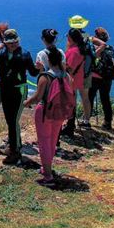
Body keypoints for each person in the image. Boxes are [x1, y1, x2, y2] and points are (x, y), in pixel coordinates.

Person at [24, 45, 73, 187]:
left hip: (45, 111)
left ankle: (48, 175)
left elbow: (37, 97)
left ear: (49, 61)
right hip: (60, 112)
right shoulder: (66, 76)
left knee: (43, 142)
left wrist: (25, 103)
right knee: (52, 140)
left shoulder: (45, 77)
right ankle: (47, 167)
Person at [0, 28, 39, 164]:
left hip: (19, 90)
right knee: (9, 120)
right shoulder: (2, 53)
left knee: (13, 121)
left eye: (14, 42)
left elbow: (33, 72)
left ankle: (15, 151)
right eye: (9, 43)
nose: (12, 45)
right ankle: (14, 146)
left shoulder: (25, 54)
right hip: (5, 90)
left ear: (18, 41)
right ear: (5, 42)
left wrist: (40, 68)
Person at [62, 28, 92, 134]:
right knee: (73, 102)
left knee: (70, 103)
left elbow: (69, 68)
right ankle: (70, 125)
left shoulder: (73, 51)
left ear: (70, 38)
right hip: (78, 79)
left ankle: (70, 127)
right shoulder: (80, 48)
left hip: (71, 81)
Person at [88, 27, 114, 130]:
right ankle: (108, 121)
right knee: (105, 99)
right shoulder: (111, 48)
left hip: (96, 76)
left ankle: (86, 119)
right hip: (107, 77)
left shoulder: (96, 47)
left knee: (90, 97)